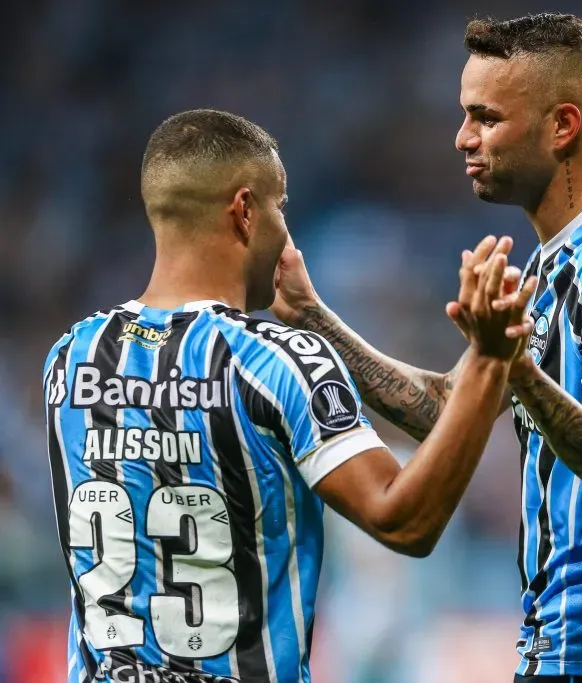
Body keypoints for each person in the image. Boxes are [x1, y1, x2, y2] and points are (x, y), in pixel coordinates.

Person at [271, 13, 582, 683]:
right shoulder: (551, 263)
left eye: (486, 118)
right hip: (569, 636)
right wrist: (312, 318)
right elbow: (446, 410)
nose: (463, 137)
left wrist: (517, 368)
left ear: (562, 126)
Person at [43, 109, 535, 683]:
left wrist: (312, 317)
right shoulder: (276, 362)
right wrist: (488, 360)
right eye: (281, 207)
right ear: (245, 211)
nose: (286, 235)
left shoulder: (70, 358)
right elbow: (406, 522)